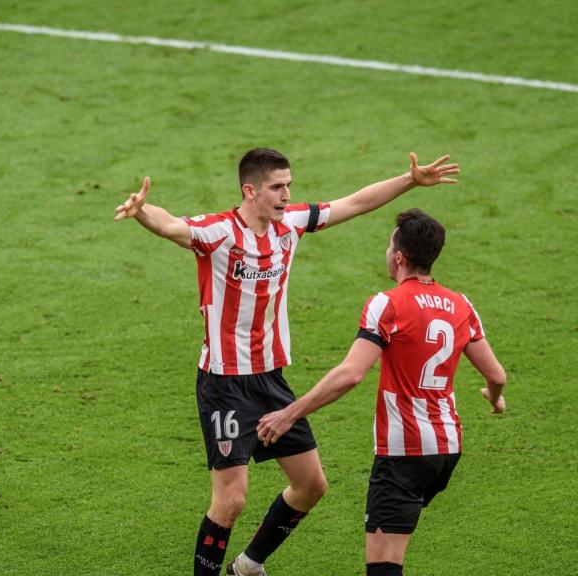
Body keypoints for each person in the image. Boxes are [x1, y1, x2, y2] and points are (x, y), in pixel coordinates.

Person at [113, 149, 459, 576]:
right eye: (277, 187)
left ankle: (249, 565)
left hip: (271, 381)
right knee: (232, 499)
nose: (286, 194)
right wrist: (142, 210)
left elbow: (353, 202)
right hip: (224, 383)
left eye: (288, 185)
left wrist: (410, 180)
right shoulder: (219, 232)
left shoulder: (291, 224)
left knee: (311, 486)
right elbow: (173, 225)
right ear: (250, 190)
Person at [256, 209, 507, 576]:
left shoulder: (387, 304)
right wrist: (494, 395)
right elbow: (496, 373)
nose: (387, 252)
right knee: (394, 545)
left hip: (403, 452)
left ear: (400, 257)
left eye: (390, 246)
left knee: (384, 565)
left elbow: (351, 373)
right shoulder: (461, 304)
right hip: (446, 449)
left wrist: (290, 413)